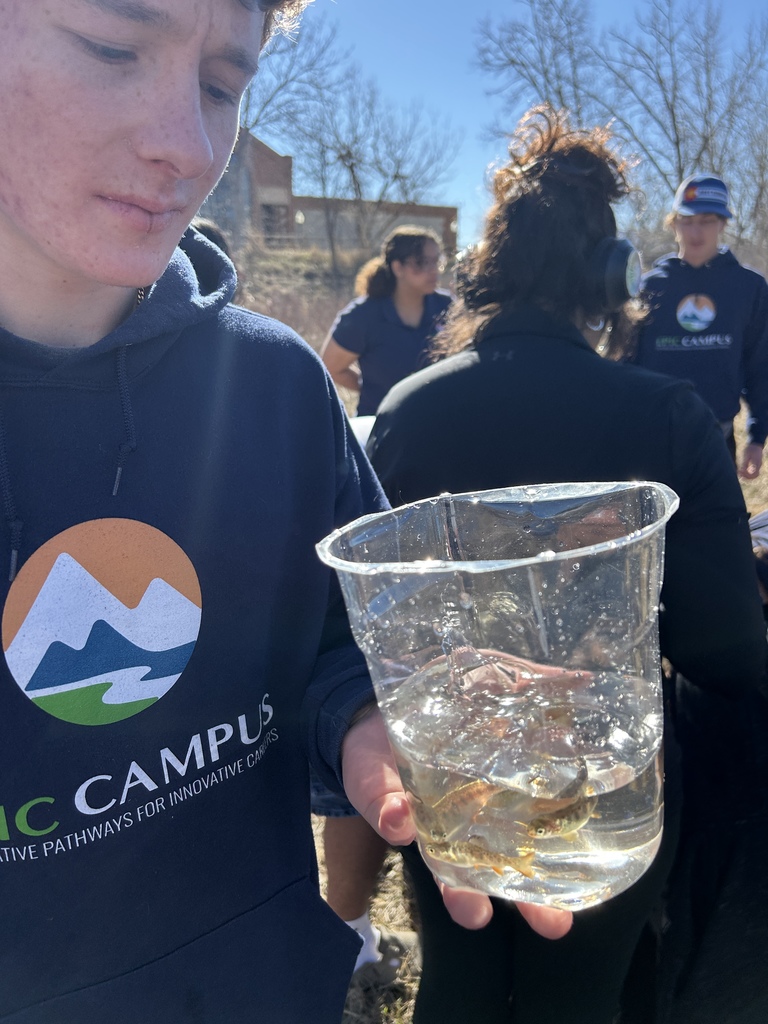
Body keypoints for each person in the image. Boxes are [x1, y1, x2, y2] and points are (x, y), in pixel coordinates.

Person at [0, 4, 569, 1022]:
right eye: (110, 48)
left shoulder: (269, 387)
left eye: (223, 84)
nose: (185, 145)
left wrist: (369, 716)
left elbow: (337, 650)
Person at [366, 107, 768, 1024]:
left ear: (483, 272)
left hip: (451, 780)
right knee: (579, 999)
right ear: (615, 277)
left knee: (459, 985)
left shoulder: (406, 411)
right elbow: (728, 655)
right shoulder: (669, 418)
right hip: (607, 792)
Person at [632, 174, 768, 481]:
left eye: (707, 220)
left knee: (718, 527)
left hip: (717, 437)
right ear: (674, 223)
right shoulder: (647, 288)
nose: (695, 230)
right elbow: (628, 365)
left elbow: (760, 366)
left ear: (722, 224)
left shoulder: (749, 288)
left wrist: (757, 437)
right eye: (687, 220)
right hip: (654, 440)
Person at [320, 226, 452, 418]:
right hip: (382, 426)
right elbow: (331, 367)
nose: (433, 271)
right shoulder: (363, 315)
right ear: (398, 267)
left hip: (436, 423)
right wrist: (374, 390)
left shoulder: (447, 307)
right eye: (422, 262)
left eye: (437, 262)